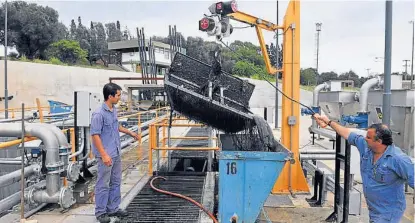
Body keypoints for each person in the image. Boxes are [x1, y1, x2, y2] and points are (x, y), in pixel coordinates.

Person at [313, 114, 414, 223]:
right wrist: (328, 121)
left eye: (368, 137)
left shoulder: (398, 159)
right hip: (374, 210)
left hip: (388, 212)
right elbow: (347, 133)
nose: (365, 139)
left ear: (379, 141)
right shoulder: (366, 148)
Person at [90, 83, 139, 223]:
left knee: (116, 181)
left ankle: (113, 208)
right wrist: (104, 154)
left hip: (116, 152)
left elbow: (116, 126)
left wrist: (130, 132)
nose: (120, 98)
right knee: (103, 183)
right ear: (110, 96)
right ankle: (101, 212)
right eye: (118, 95)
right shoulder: (99, 114)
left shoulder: (113, 110)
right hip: (106, 154)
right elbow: (95, 135)